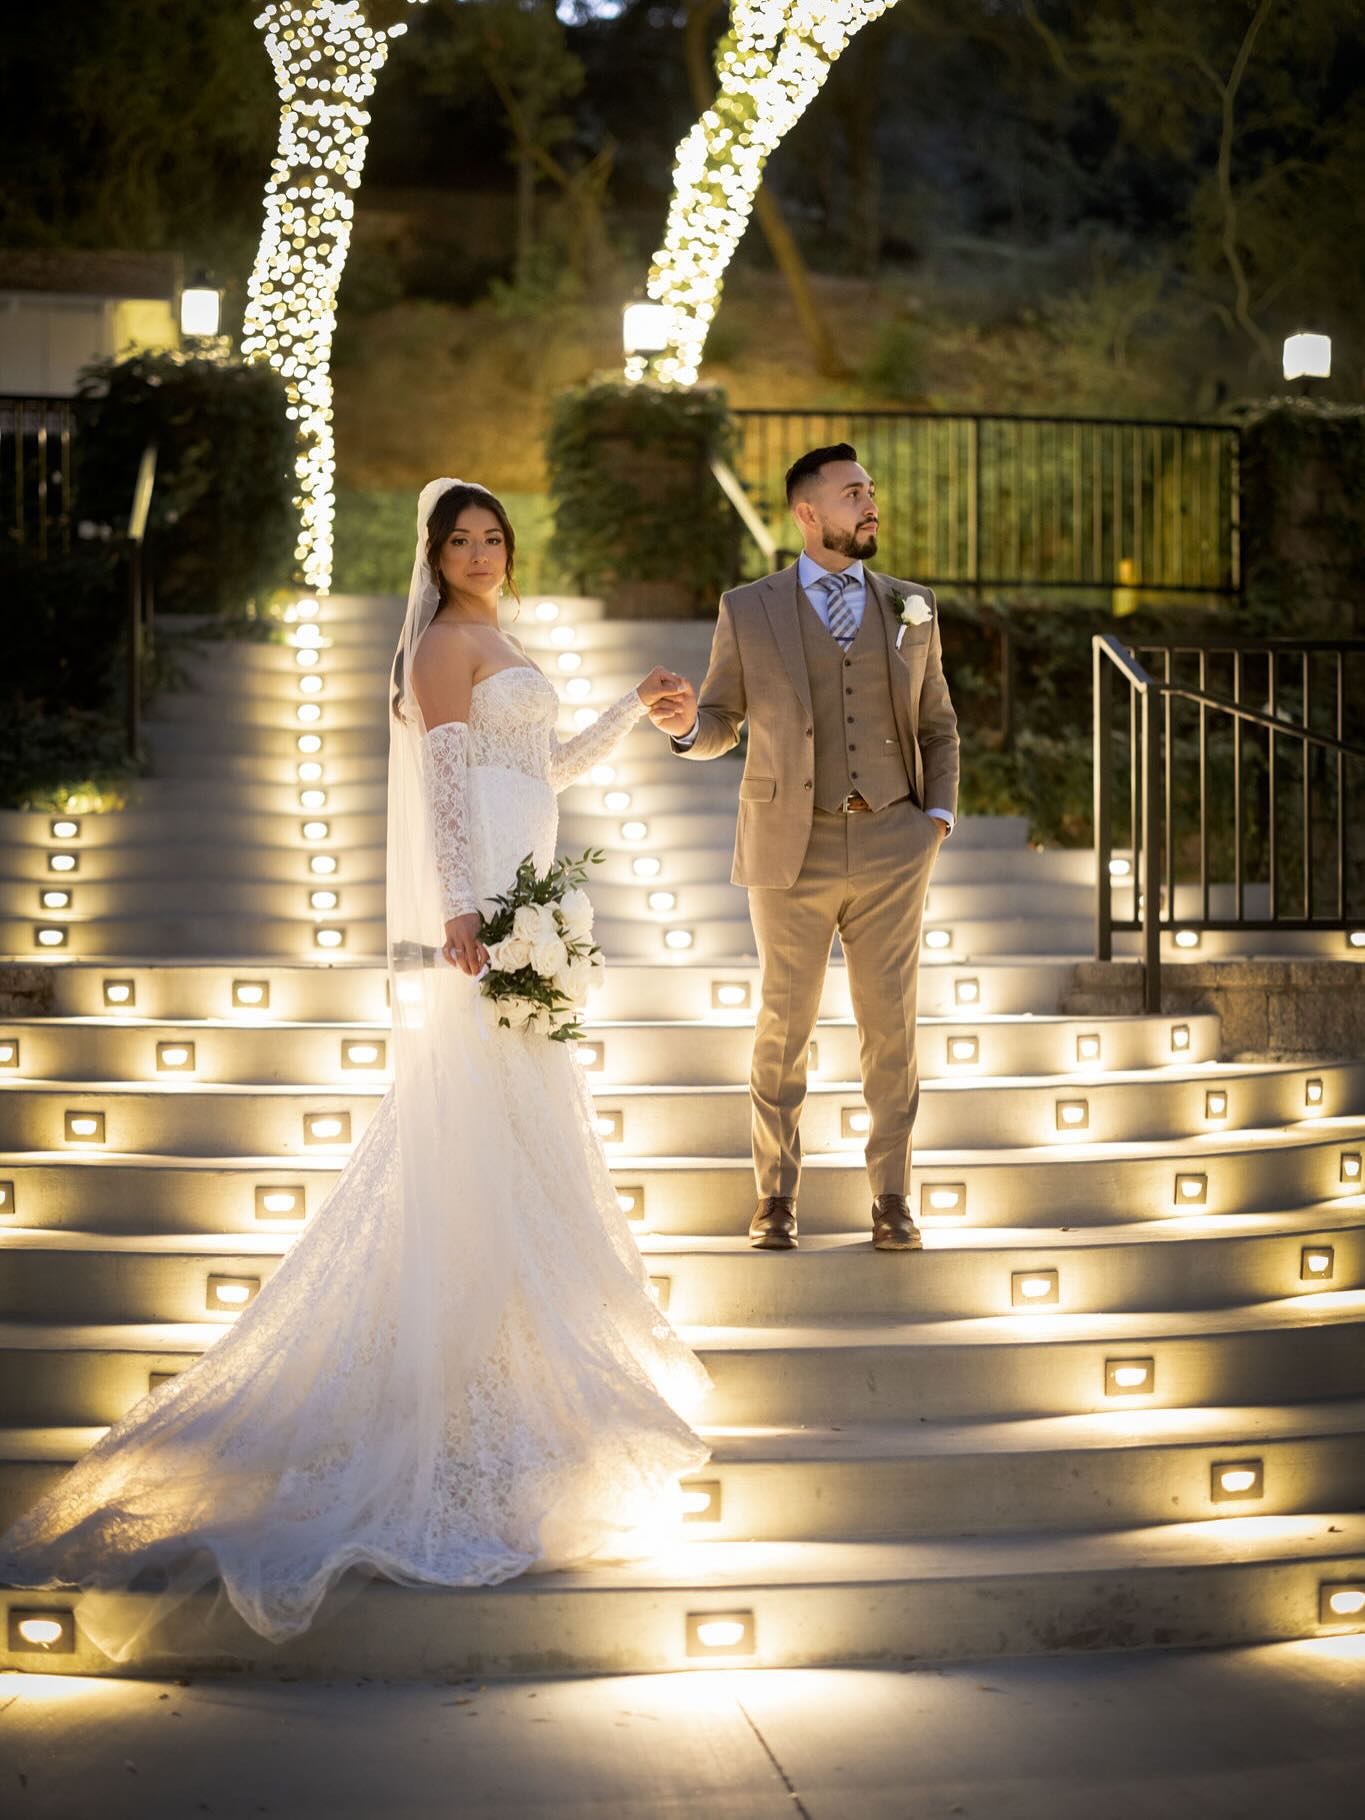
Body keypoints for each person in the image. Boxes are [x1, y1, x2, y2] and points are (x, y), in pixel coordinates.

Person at [0, 477, 713, 1660]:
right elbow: (444, 780)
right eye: (461, 539)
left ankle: (509, 1374)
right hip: (483, 906)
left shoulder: (505, 636)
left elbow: (543, 774)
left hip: (523, 889)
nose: (480, 552)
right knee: (481, 1133)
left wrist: (634, 711)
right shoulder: (439, 643)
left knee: (526, 1139)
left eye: (493, 537)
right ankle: (451, 1385)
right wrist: (463, 911)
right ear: (432, 553)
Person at [649, 444, 960, 1254]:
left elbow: (937, 724)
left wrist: (935, 819)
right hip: (791, 844)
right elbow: (721, 718)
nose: (869, 505)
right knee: (782, 1025)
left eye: (870, 492)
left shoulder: (911, 605)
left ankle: (891, 1196)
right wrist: (685, 726)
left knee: (890, 1028)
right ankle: (775, 1195)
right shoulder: (749, 608)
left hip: (895, 840)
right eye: (852, 493)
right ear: (807, 513)